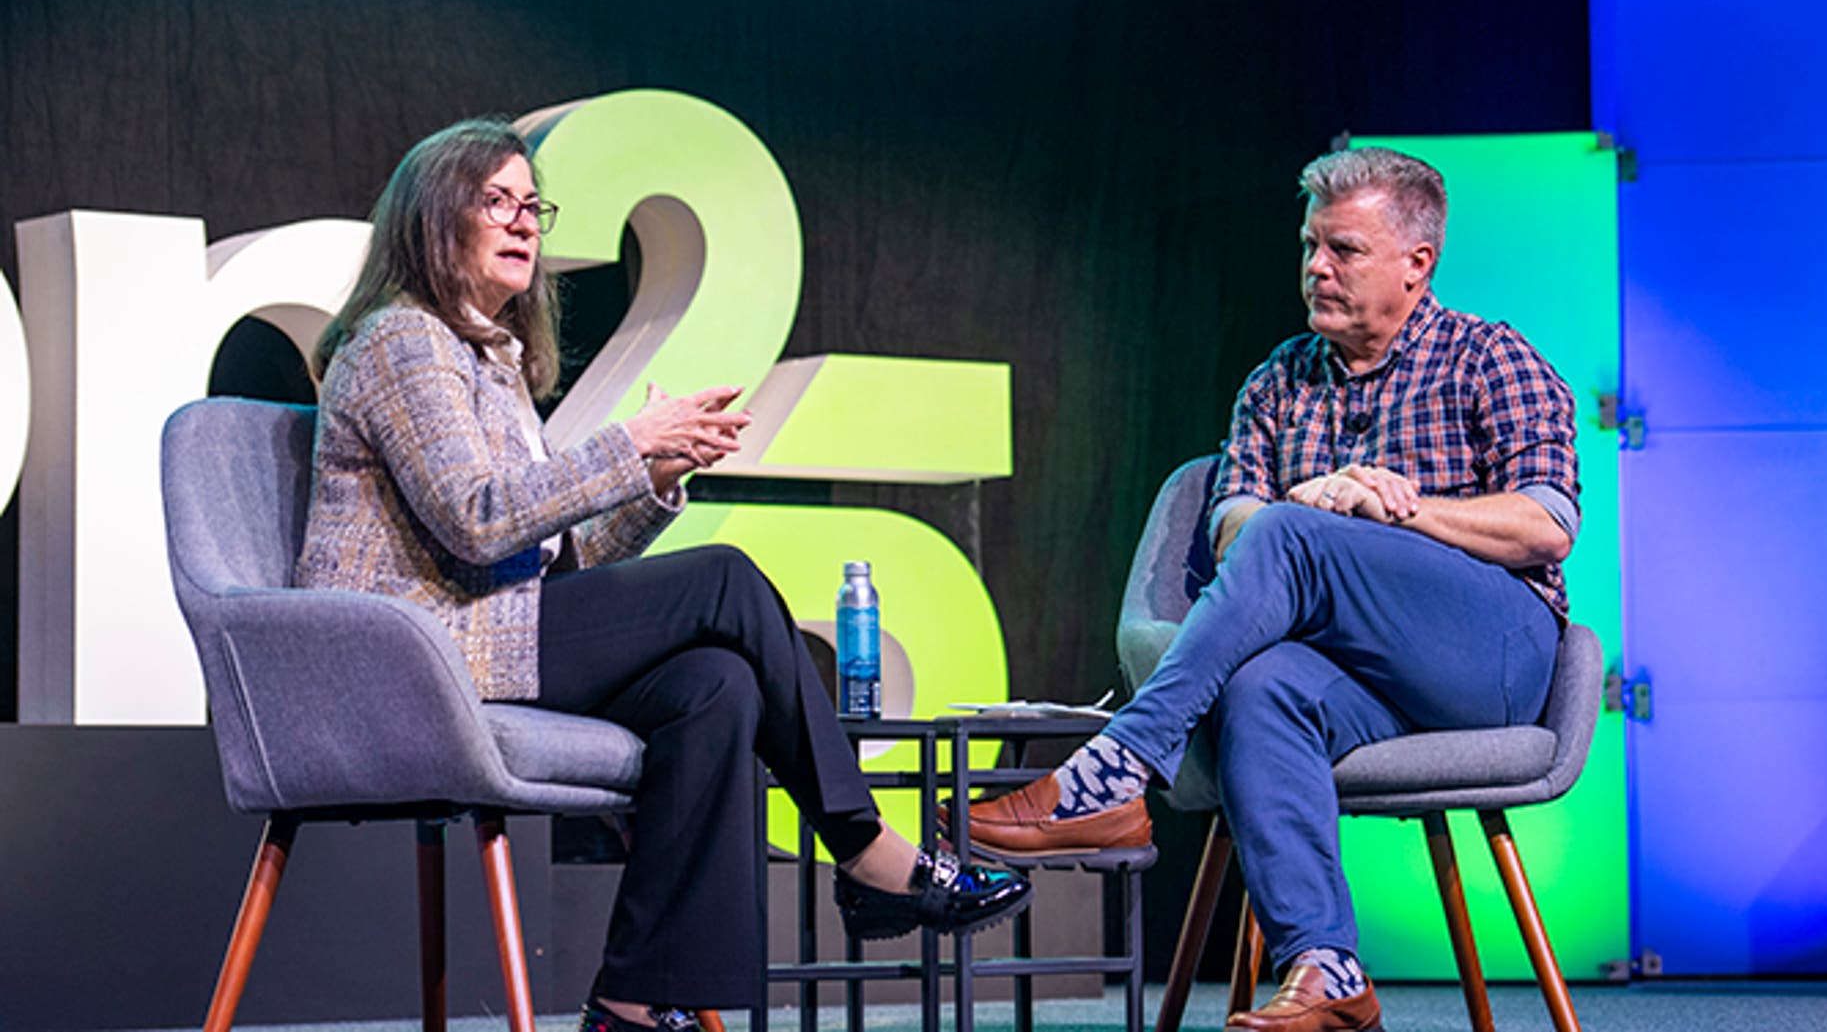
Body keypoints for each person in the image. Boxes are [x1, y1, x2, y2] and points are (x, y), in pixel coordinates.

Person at [294, 119, 1030, 1032]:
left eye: (533, 205)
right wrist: (625, 443)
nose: (525, 222)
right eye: (497, 202)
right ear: (432, 219)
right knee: (723, 579)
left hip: (493, 627)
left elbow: (555, 555)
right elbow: (480, 518)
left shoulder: (492, 359)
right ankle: (864, 845)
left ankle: (633, 999)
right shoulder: (402, 340)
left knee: (713, 686)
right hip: (417, 657)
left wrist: (653, 477)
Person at [963, 148, 1578, 1032]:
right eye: (1309, 246)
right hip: (1361, 681)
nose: (1317, 268)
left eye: (1344, 250)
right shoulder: (1277, 382)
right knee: (1262, 686)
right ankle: (1326, 970)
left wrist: (1395, 511)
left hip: (1493, 660)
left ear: (1418, 264)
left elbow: (1547, 522)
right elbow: (1230, 529)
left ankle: (1116, 768)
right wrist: (1315, 505)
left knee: (1297, 531)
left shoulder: (1490, 356)